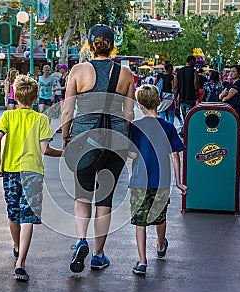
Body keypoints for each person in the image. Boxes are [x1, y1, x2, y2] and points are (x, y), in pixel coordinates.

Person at [61, 24, 135, 273]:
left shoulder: (78, 70)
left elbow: (68, 109)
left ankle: (81, 239)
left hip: (84, 139)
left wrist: (65, 137)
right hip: (115, 141)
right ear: (112, 45)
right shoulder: (125, 73)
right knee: (105, 199)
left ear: (89, 45)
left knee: (83, 195)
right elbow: (128, 112)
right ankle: (98, 254)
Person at [0, 75, 62, 282]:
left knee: (13, 213)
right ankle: (21, 263)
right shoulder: (40, 119)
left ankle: (16, 246)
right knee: (28, 216)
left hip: (11, 170)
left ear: (16, 94)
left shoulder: (8, 116)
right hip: (32, 172)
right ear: (35, 96)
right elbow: (45, 149)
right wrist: (63, 153)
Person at [128, 84, 187, 275]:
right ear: (159, 102)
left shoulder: (135, 127)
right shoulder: (168, 127)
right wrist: (179, 181)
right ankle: (161, 245)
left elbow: (132, 155)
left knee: (140, 221)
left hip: (139, 181)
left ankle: (142, 261)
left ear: (139, 104)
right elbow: (175, 155)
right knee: (160, 217)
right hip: (162, 181)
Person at [174, 55, 199, 137]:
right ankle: (185, 131)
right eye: (194, 61)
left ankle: (185, 131)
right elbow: (195, 84)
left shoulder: (179, 72)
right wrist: (196, 93)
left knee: (185, 115)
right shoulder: (194, 71)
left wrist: (176, 97)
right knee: (190, 116)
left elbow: (175, 86)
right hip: (190, 97)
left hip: (182, 98)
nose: (195, 63)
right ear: (191, 61)